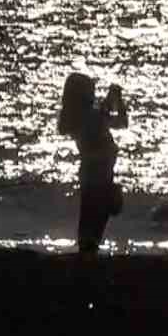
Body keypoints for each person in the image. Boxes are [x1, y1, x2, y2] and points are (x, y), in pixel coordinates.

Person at [59, 72, 129, 254]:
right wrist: (115, 98)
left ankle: (86, 262)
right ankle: (86, 265)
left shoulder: (83, 117)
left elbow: (119, 121)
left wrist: (115, 100)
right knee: (93, 226)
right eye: (91, 92)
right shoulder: (87, 118)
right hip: (97, 177)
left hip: (97, 177)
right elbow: (114, 119)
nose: (93, 95)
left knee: (91, 226)